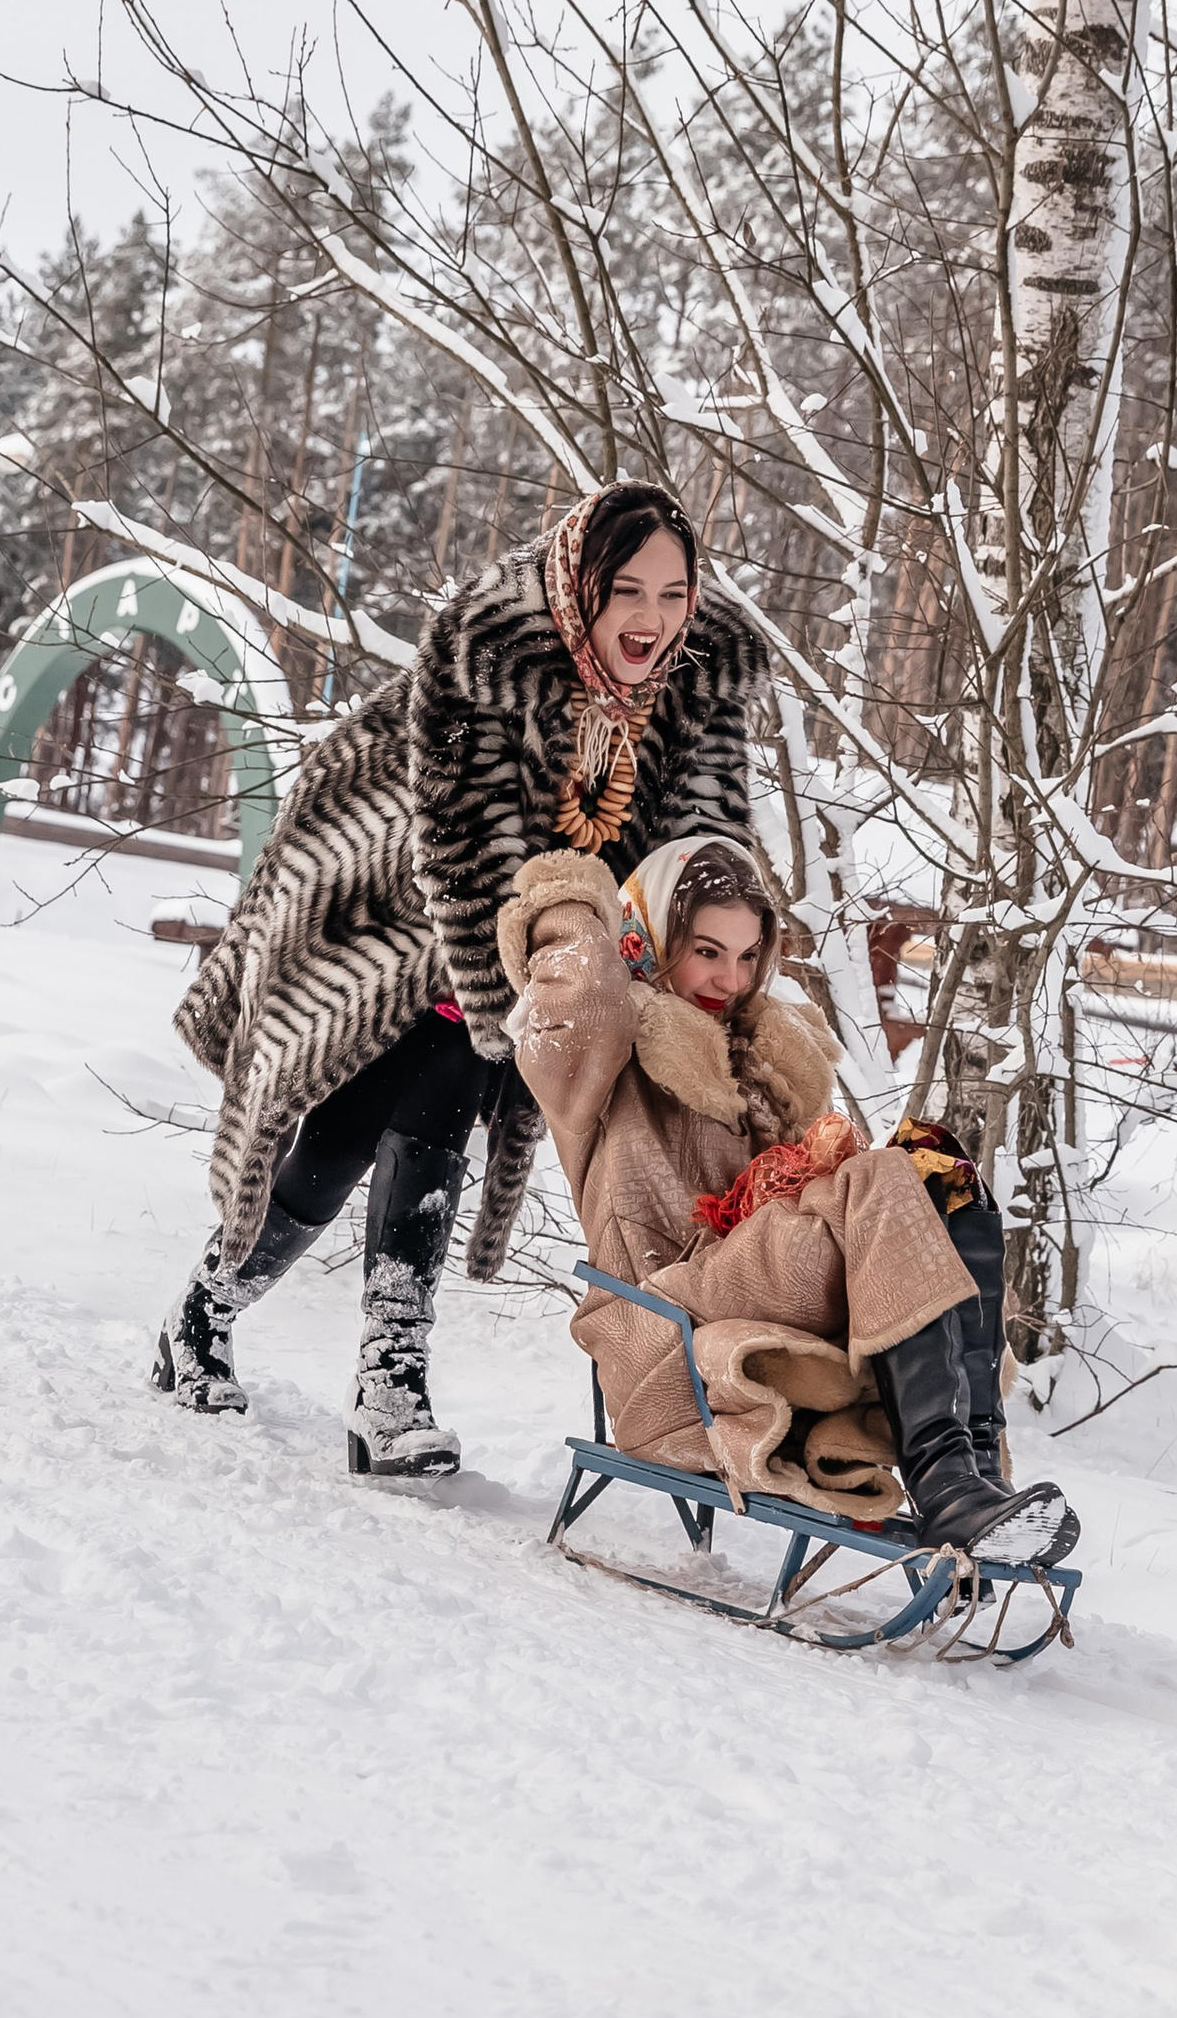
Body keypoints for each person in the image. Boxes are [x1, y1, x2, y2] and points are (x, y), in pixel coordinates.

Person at [155, 480, 763, 1475]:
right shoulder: (490, 654)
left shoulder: (699, 691)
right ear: (580, 586)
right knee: (390, 1100)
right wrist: (520, 1014)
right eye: (628, 591)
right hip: (388, 904)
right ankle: (354, 1370)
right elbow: (464, 854)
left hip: (544, 938)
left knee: (376, 1119)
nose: (652, 619)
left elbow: (704, 852)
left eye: (673, 593)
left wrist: (704, 972)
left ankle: (250, 1330)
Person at [501, 826, 1079, 1563]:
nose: (730, 979)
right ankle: (947, 1486)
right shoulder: (602, 1053)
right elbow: (585, 995)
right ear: (647, 938)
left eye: (747, 956)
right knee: (883, 1173)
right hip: (662, 1308)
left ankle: (973, 1472)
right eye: (706, 951)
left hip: (762, 1270)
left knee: (939, 1170)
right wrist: (571, 897)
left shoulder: (766, 1060)